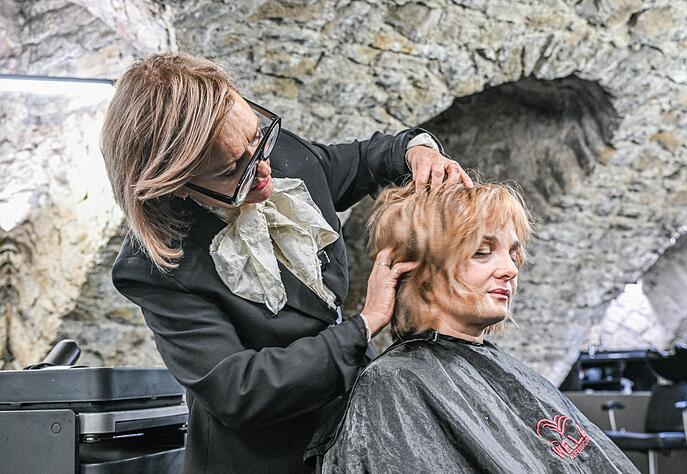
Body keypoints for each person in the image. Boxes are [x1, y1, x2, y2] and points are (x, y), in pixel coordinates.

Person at [99, 52, 471, 473]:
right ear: (176, 186)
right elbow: (240, 389)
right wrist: (364, 324)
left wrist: (418, 151)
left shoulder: (278, 155)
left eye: (258, 139)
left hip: (348, 438)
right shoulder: (155, 269)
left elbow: (368, 159)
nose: (264, 171)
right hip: (263, 459)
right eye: (231, 171)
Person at [310, 181, 640, 473]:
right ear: (422, 272)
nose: (510, 270)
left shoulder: (500, 371)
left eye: (513, 254)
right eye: (482, 252)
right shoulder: (394, 384)